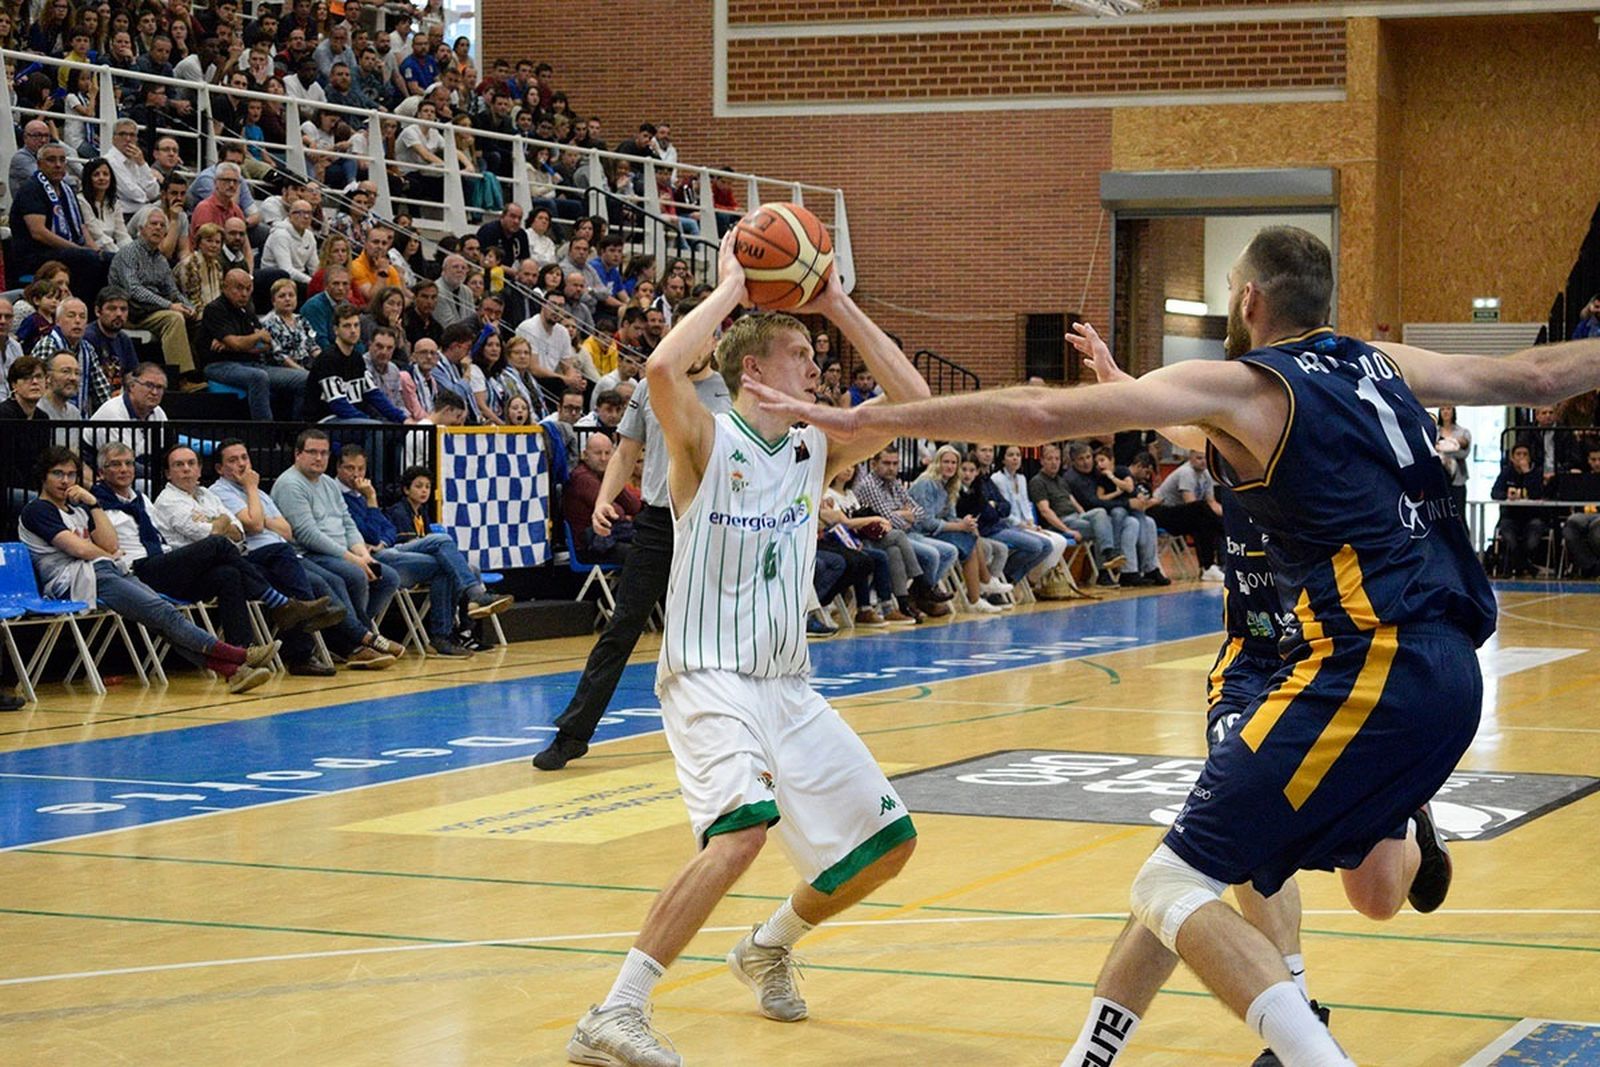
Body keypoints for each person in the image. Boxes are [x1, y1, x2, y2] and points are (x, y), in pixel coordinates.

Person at [742, 224, 1600, 1067]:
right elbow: (1538, 372)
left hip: (1370, 664)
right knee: (1339, 887)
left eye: (1232, 288)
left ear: (1250, 299)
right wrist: (1125, 381)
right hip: (1447, 672)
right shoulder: (1379, 362)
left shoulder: (1247, 384)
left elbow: (1038, 411)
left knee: (1170, 882)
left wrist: (860, 413)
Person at [561, 233, 923, 1067]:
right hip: (708, 675)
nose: (816, 367)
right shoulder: (704, 437)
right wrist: (733, 285)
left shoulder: (815, 444)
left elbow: (912, 405)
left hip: (787, 685)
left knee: (891, 844)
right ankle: (613, 1011)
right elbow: (660, 372)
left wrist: (835, 304)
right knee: (741, 836)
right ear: (755, 367)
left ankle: (767, 944)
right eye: (800, 352)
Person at [21, 445, 274, 695]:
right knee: (165, 614)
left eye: (71, 474)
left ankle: (233, 671)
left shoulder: (77, 509)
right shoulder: (38, 510)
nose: (65, 480)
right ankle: (241, 655)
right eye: (58, 474)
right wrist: (109, 555)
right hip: (76, 579)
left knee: (161, 621)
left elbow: (110, 543)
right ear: (43, 476)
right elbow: (81, 550)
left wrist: (94, 505)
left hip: (106, 570)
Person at [210, 438, 385, 675]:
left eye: (244, 458)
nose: (241, 464)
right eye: (233, 460)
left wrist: (261, 517)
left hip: (282, 555)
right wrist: (252, 491)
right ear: (220, 469)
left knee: (328, 583)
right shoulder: (220, 492)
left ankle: (343, 643)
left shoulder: (260, 493)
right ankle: (353, 640)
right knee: (315, 586)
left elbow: (286, 530)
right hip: (254, 557)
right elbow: (254, 525)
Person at [333, 445, 506, 656]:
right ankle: (473, 595)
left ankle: (442, 637)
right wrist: (371, 500)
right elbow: (368, 532)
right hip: (372, 556)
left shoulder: (363, 494)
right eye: (350, 468)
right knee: (441, 540)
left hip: (386, 550)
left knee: (445, 564)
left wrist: (382, 541)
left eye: (361, 468)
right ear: (338, 468)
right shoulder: (343, 495)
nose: (357, 474)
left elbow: (386, 529)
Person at [270, 428, 406, 664]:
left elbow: (348, 522)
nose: (319, 458)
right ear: (297, 454)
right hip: (309, 554)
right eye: (312, 452)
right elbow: (306, 534)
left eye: (323, 453)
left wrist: (364, 555)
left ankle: (349, 633)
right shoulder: (290, 484)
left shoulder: (329, 484)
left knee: (387, 576)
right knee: (353, 574)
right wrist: (352, 559)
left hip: (340, 552)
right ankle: (355, 643)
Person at [199, 270, 309, 421]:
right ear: (225, 287)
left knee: (305, 379)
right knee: (258, 377)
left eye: (248, 288)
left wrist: (232, 344)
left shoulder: (247, 309)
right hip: (220, 365)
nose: (244, 293)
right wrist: (253, 337)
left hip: (252, 363)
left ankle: (297, 432)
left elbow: (266, 345)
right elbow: (246, 341)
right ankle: (264, 435)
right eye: (238, 288)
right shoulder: (215, 309)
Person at [12, 142, 111, 295]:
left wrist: (96, 250)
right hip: (36, 256)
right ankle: (82, 308)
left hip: (66, 251)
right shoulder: (31, 189)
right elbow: (38, 232)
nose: (58, 165)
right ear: (39, 164)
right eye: (51, 160)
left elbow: (81, 227)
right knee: (87, 259)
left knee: (109, 259)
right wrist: (77, 249)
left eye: (62, 160)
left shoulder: (67, 190)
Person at [108, 207, 198, 373]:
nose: (158, 228)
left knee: (197, 319)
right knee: (174, 318)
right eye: (153, 224)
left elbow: (173, 292)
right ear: (141, 229)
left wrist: (191, 308)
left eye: (162, 225)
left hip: (151, 311)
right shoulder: (129, 253)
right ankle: (181, 377)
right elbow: (133, 289)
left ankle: (201, 374)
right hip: (131, 312)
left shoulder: (161, 260)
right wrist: (169, 306)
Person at [1149, 448, 1226, 581]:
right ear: (1190, 458)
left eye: (1205, 458)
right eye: (1199, 458)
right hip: (1161, 511)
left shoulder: (1206, 474)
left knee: (1204, 523)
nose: (1203, 462)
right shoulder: (1186, 472)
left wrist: (1230, 517)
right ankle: (1223, 538)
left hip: (1183, 514)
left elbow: (1212, 503)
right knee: (1201, 511)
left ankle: (1208, 567)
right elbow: (1191, 503)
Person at [564, 431, 639, 565]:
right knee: (641, 554)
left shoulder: (603, 474)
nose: (604, 458)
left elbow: (634, 506)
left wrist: (613, 481)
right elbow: (616, 514)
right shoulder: (582, 477)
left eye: (608, 453)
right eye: (598, 453)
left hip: (608, 540)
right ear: (585, 455)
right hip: (589, 547)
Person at [1491, 443, 1547, 577]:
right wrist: (1506, 496)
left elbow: (1537, 494)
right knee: (1510, 539)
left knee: (1532, 541)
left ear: (1530, 457)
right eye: (1518, 454)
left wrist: (1527, 473)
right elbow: (1494, 493)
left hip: (1532, 518)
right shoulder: (1506, 473)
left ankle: (1517, 565)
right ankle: (1526, 566)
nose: (1521, 457)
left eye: (1525, 454)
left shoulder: (1536, 473)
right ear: (1512, 457)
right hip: (1511, 517)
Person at [1434, 405, 1472, 517]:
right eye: (1442, 409)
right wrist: (1452, 447)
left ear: (1453, 411)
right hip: (1438, 479)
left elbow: (1464, 453)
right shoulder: (1433, 431)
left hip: (1458, 480)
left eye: (1448, 409)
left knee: (1459, 515)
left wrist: (1443, 449)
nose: (1445, 412)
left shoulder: (1463, 432)